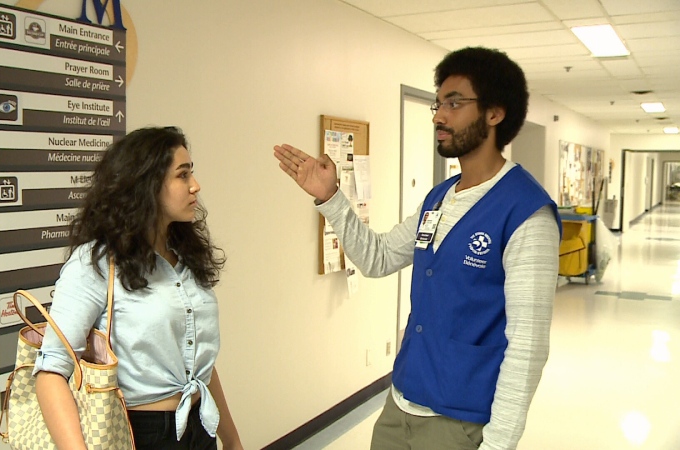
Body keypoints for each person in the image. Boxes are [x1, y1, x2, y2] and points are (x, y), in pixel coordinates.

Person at [273, 47, 561, 450]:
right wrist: (331, 198)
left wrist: (497, 445)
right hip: (401, 406)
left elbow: (528, 347)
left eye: (455, 103)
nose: (440, 116)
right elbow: (378, 258)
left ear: (495, 113)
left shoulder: (527, 212)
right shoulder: (440, 198)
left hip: (460, 423)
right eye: (438, 104)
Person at [34, 126, 243, 450]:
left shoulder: (185, 257)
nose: (195, 186)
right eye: (182, 175)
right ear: (146, 184)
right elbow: (51, 372)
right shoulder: (95, 263)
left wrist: (232, 440)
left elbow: (199, 363)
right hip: (138, 435)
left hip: (200, 427)